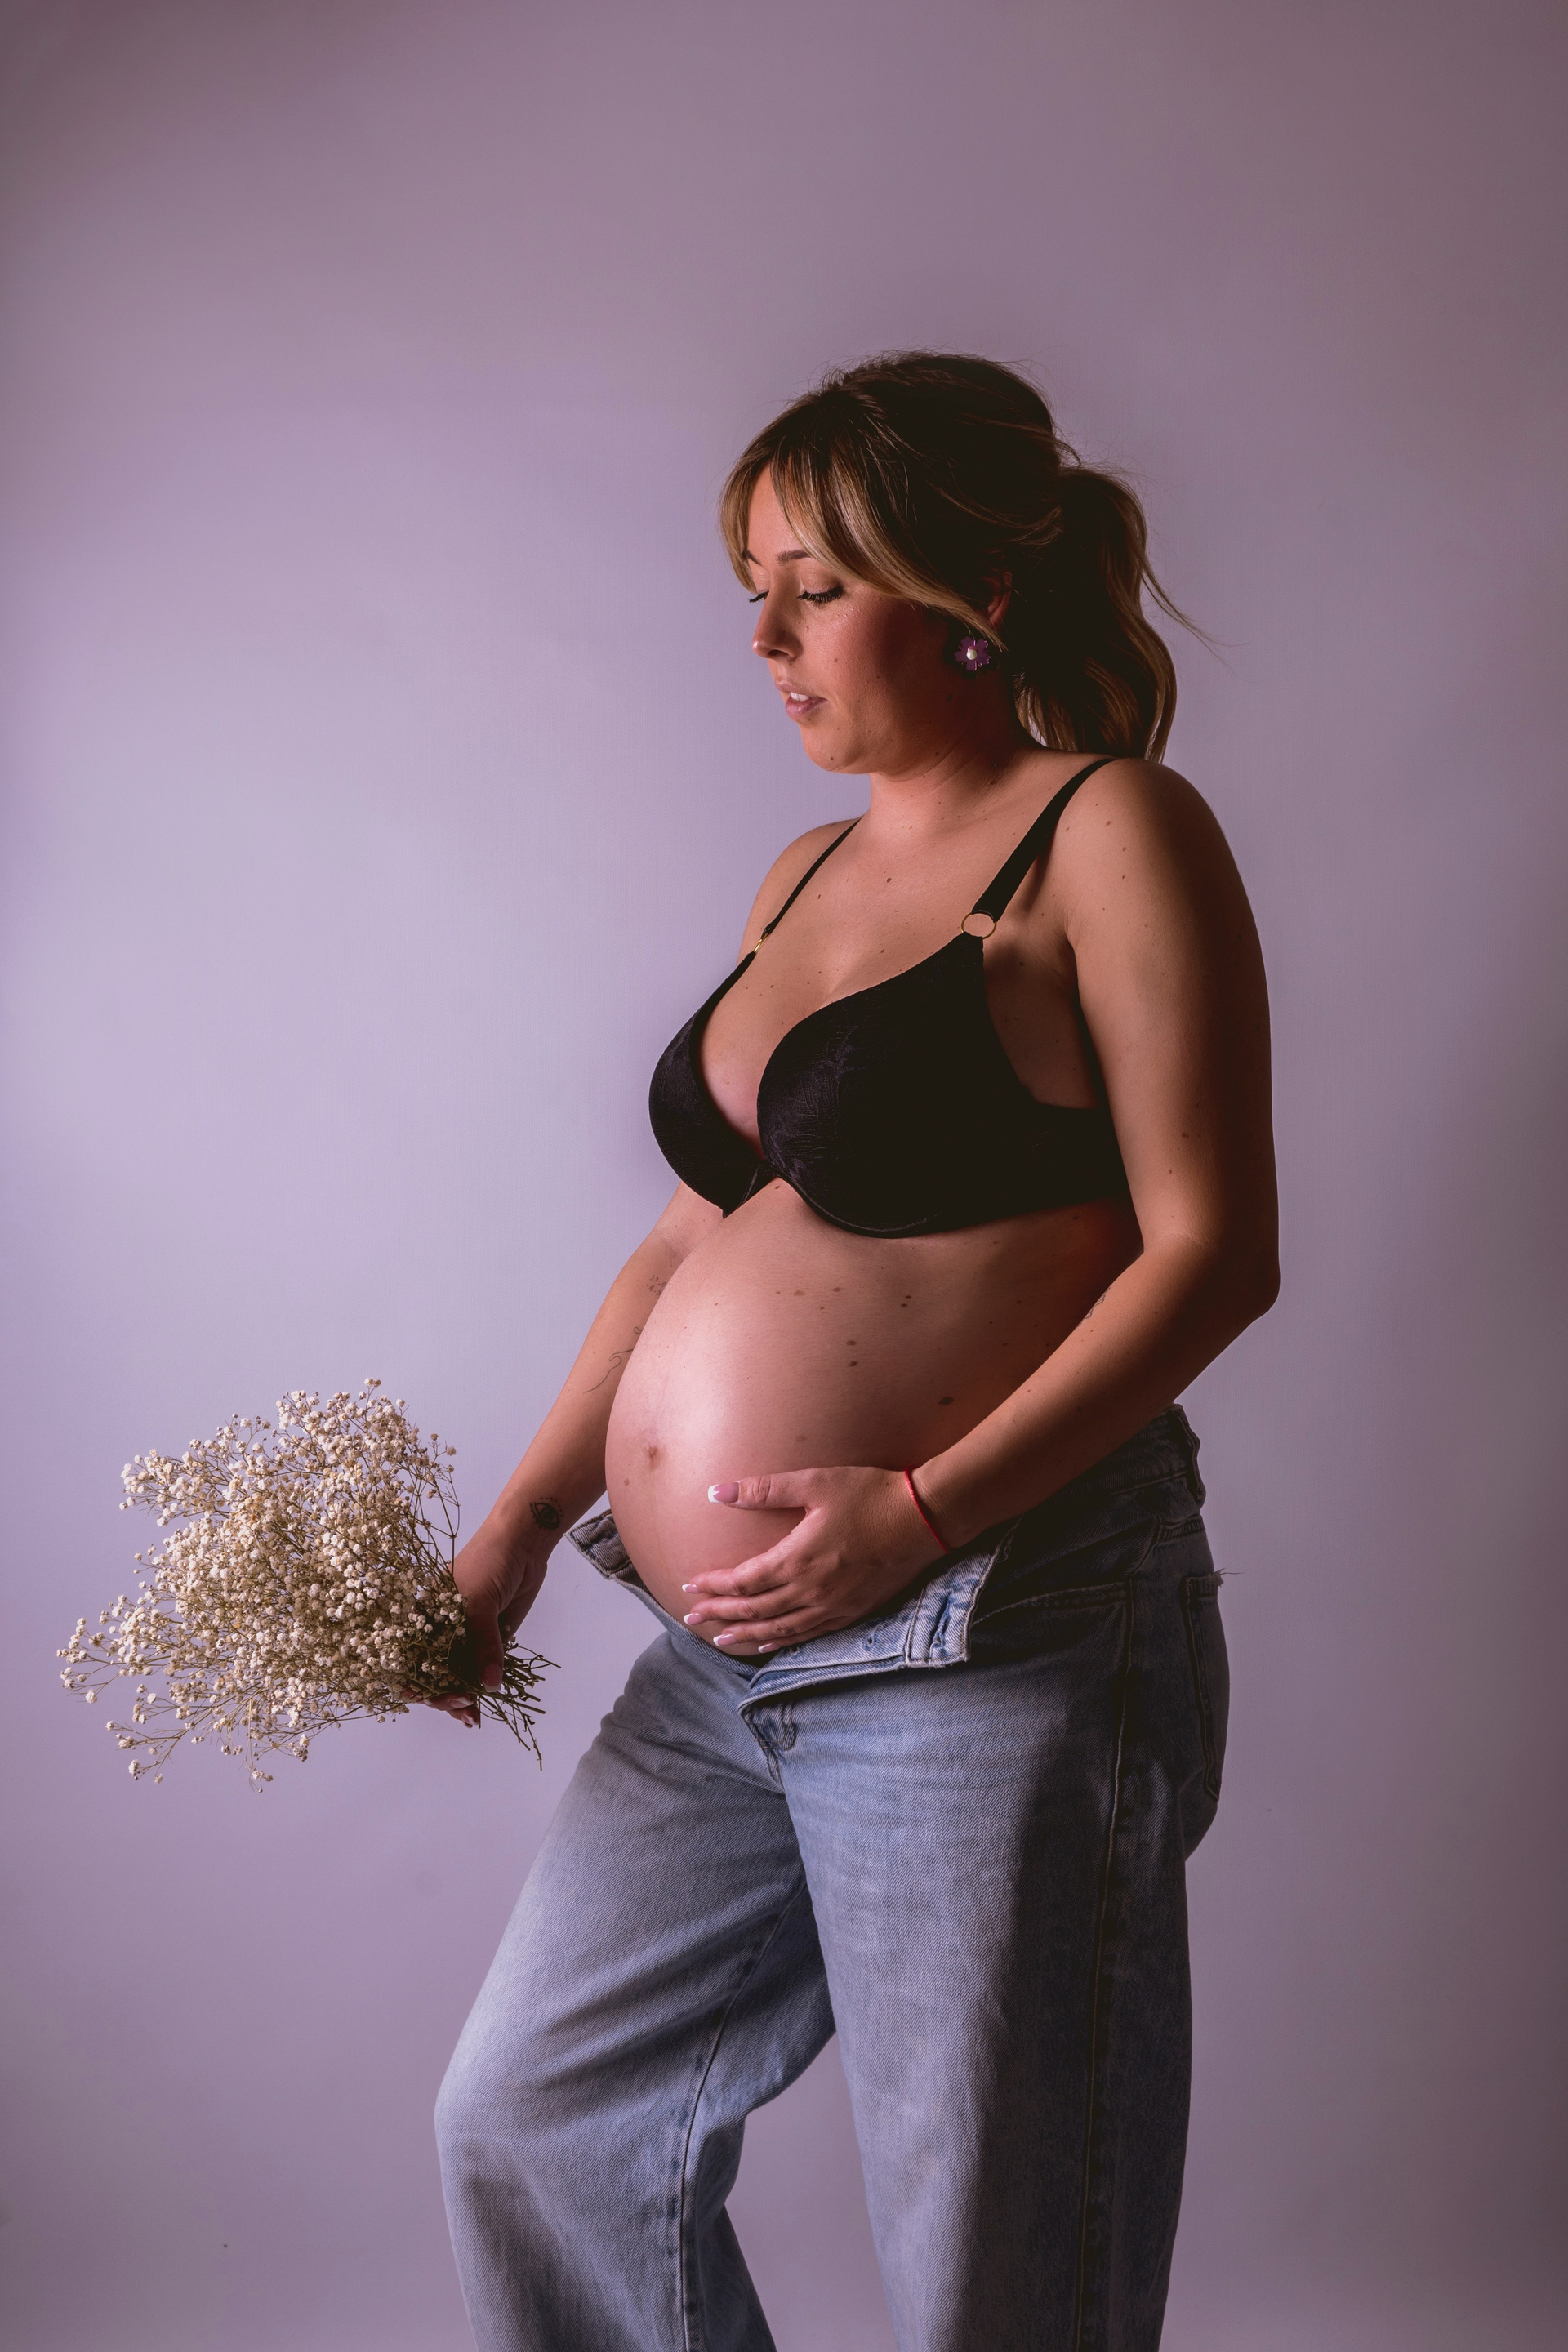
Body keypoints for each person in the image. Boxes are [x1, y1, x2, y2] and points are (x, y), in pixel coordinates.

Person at [433, 350, 1277, 2352]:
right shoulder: (804, 877)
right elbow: (691, 1236)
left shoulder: (1110, 834)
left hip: (993, 1622)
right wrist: (529, 1516)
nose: (767, 637)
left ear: (975, 589)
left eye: (814, 587)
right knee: (537, 2124)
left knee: (995, 2257)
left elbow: (1213, 1256)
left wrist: (917, 1512)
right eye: (756, 587)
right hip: (731, 1644)